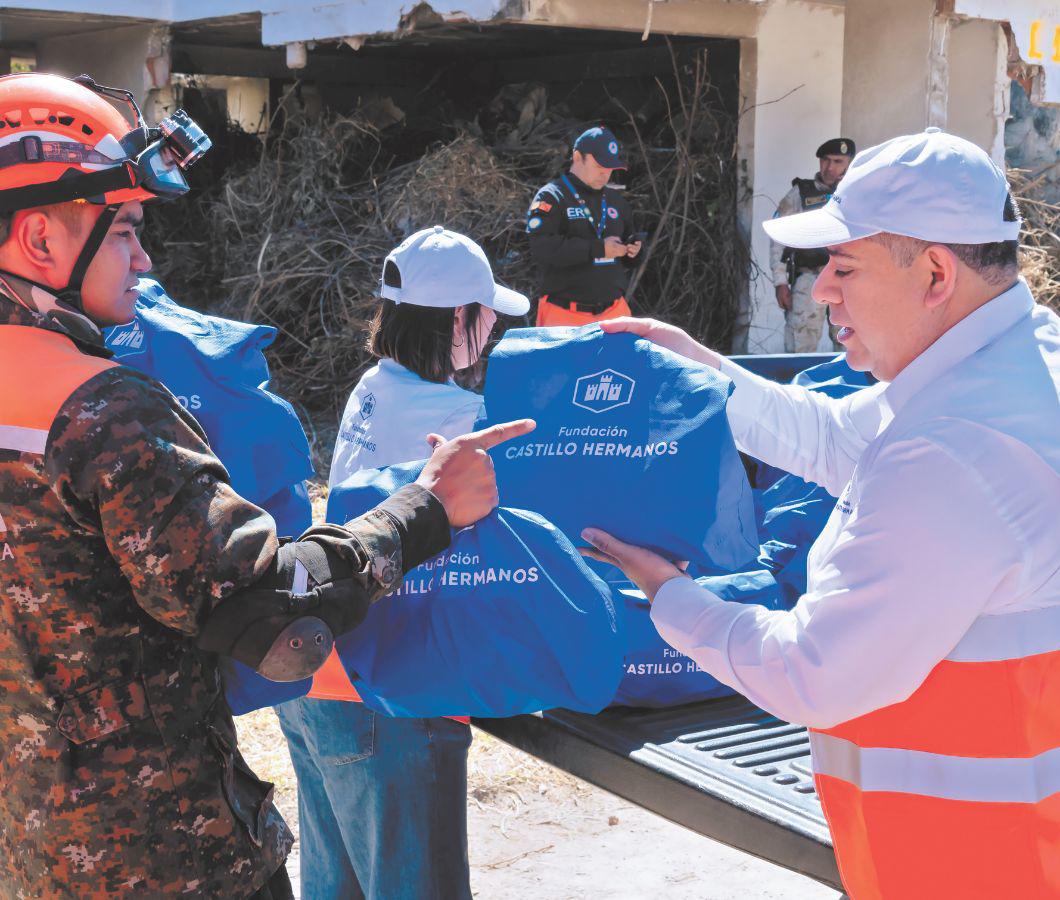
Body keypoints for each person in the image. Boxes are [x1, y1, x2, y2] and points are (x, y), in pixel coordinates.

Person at [586, 128, 1060, 897]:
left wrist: (668, 595)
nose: (820, 290)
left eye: (844, 266)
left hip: (1002, 871)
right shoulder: (1031, 357)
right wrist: (706, 377)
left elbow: (810, 673)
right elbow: (842, 438)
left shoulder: (959, 456)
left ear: (937, 273)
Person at [0, 71, 532, 897]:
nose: (144, 260)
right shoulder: (100, 411)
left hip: (31, 854)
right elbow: (273, 610)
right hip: (168, 861)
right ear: (39, 241)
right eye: (126, 230)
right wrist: (427, 508)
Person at [278, 226, 529, 900]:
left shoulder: (372, 383)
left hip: (320, 668)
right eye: (488, 315)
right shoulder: (465, 418)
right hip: (389, 691)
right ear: (458, 319)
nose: (496, 329)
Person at [526, 125, 642, 326]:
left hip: (614, 311)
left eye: (610, 169)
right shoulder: (552, 196)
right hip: (564, 314)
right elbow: (542, 248)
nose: (605, 174)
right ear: (578, 157)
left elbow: (631, 244)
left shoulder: (616, 201)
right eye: (599, 166)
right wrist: (598, 249)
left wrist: (634, 250)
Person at [768, 137, 855, 352]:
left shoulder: (855, 193)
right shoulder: (801, 193)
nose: (830, 167)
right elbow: (778, 235)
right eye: (826, 160)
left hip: (848, 279)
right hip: (809, 279)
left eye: (838, 161)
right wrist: (780, 282)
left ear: (848, 163)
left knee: (850, 343)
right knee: (801, 344)